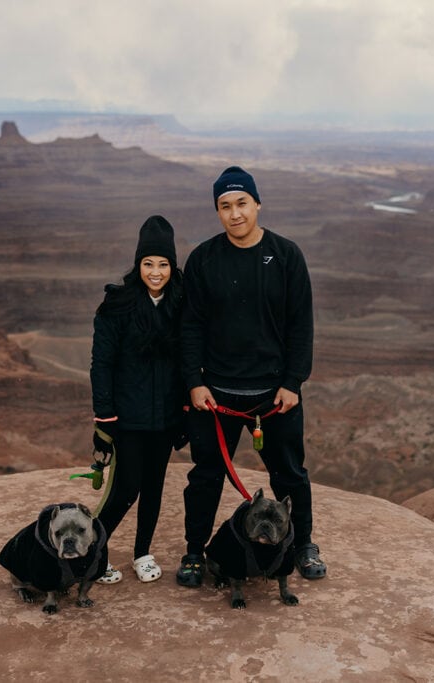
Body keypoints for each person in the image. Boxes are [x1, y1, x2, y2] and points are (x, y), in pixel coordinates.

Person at [175, 166, 327, 586]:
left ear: (257, 204)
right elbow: (190, 326)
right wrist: (194, 381)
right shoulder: (204, 259)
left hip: (274, 397)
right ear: (217, 212)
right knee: (205, 477)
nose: (235, 213)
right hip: (216, 396)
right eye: (225, 206)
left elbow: (301, 324)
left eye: (242, 203)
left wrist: (294, 382)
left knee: (290, 475)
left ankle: (303, 546)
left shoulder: (286, 255)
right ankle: (194, 553)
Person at [89, 215, 187, 584]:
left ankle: (142, 552)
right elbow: (102, 364)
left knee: (154, 487)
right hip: (127, 419)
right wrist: (104, 416)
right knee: (125, 489)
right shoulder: (117, 306)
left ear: (172, 265)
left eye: (163, 264)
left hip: (165, 419)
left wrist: (183, 412)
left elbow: (187, 359)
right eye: (149, 263)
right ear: (138, 264)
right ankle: (94, 554)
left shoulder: (180, 304)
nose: (156, 271)